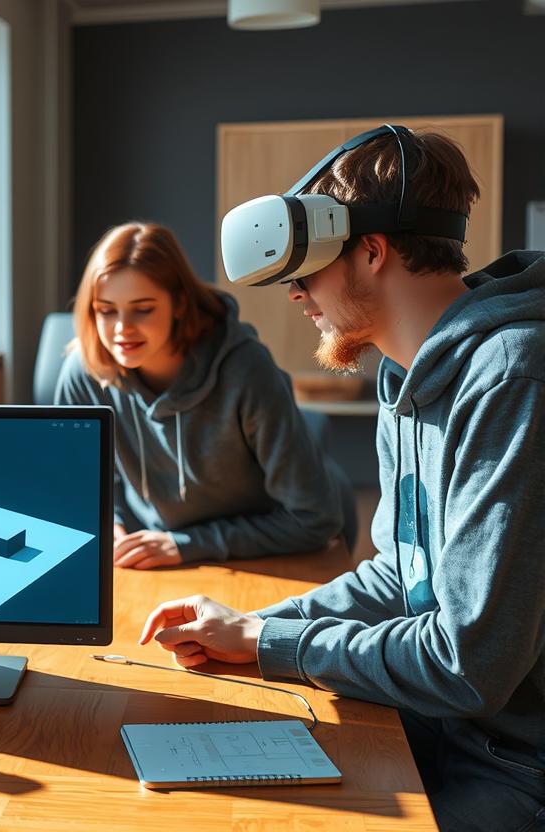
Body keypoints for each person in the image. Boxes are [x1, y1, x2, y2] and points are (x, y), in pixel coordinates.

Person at [140, 129, 545, 830]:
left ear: (371, 249)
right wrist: (252, 626)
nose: (296, 294)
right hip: (438, 721)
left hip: (515, 759)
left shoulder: (512, 373)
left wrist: (270, 647)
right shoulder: (403, 374)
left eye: (308, 270)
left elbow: (468, 662)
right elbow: (400, 576)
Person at [54, 221, 344, 569]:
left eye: (143, 308)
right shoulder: (83, 372)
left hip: (263, 550)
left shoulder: (246, 369)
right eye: (106, 310)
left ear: (178, 303)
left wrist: (188, 544)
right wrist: (106, 524)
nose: (121, 329)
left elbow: (315, 519)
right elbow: (80, 486)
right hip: (163, 557)